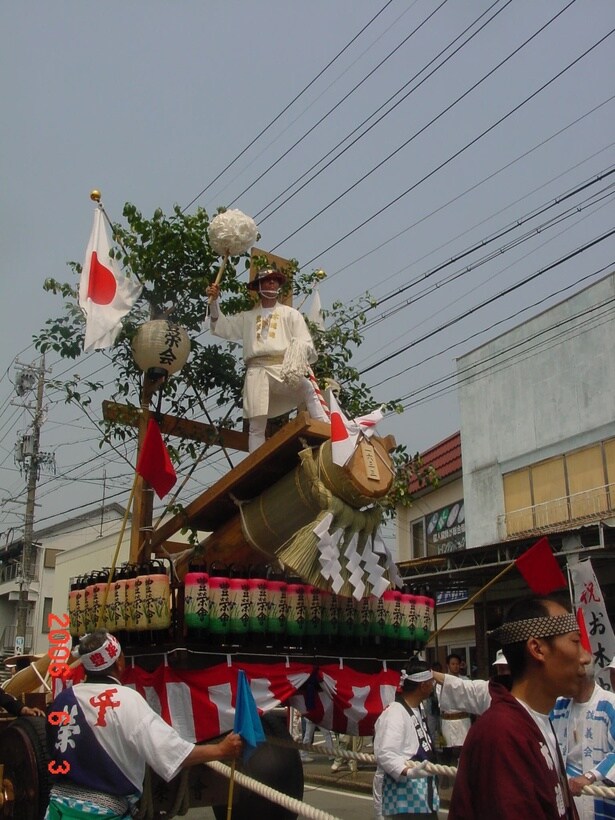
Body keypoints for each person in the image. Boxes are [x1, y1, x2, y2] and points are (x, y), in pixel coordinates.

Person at [46, 629, 242, 820]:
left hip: (57, 810)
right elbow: (171, 752)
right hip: (103, 813)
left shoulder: (63, 700)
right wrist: (220, 750)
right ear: (120, 662)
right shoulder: (127, 700)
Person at [449, 595, 591, 820]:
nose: (585, 657)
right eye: (575, 641)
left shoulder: (534, 720)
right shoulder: (501, 732)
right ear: (537, 649)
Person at [206, 269, 329, 451]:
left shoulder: (290, 314)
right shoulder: (247, 317)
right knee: (256, 425)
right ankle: (255, 462)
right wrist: (214, 301)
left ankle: (327, 430)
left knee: (308, 388)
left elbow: (305, 341)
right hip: (256, 370)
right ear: (259, 287)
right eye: (266, 281)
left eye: (274, 281)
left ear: (279, 285)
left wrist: (297, 351)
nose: (271, 284)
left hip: (283, 367)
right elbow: (223, 326)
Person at [373, 657, 439, 820]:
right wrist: (408, 772)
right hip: (404, 795)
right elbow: (385, 754)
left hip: (423, 791)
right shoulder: (395, 713)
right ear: (423, 685)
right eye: (431, 682)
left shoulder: (418, 707)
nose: (433, 686)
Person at [552, 665, 615, 820]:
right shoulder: (558, 705)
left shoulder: (609, 704)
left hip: (600, 798)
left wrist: (589, 776)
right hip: (565, 795)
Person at [437, 653, 470, 764]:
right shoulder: (440, 682)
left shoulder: (466, 680)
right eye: (453, 664)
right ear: (448, 665)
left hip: (463, 719)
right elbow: (442, 702)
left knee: (465, 750)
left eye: (457, 664)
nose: (455, 666)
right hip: (447, 720)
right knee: (447, 751)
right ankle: (445, 777)